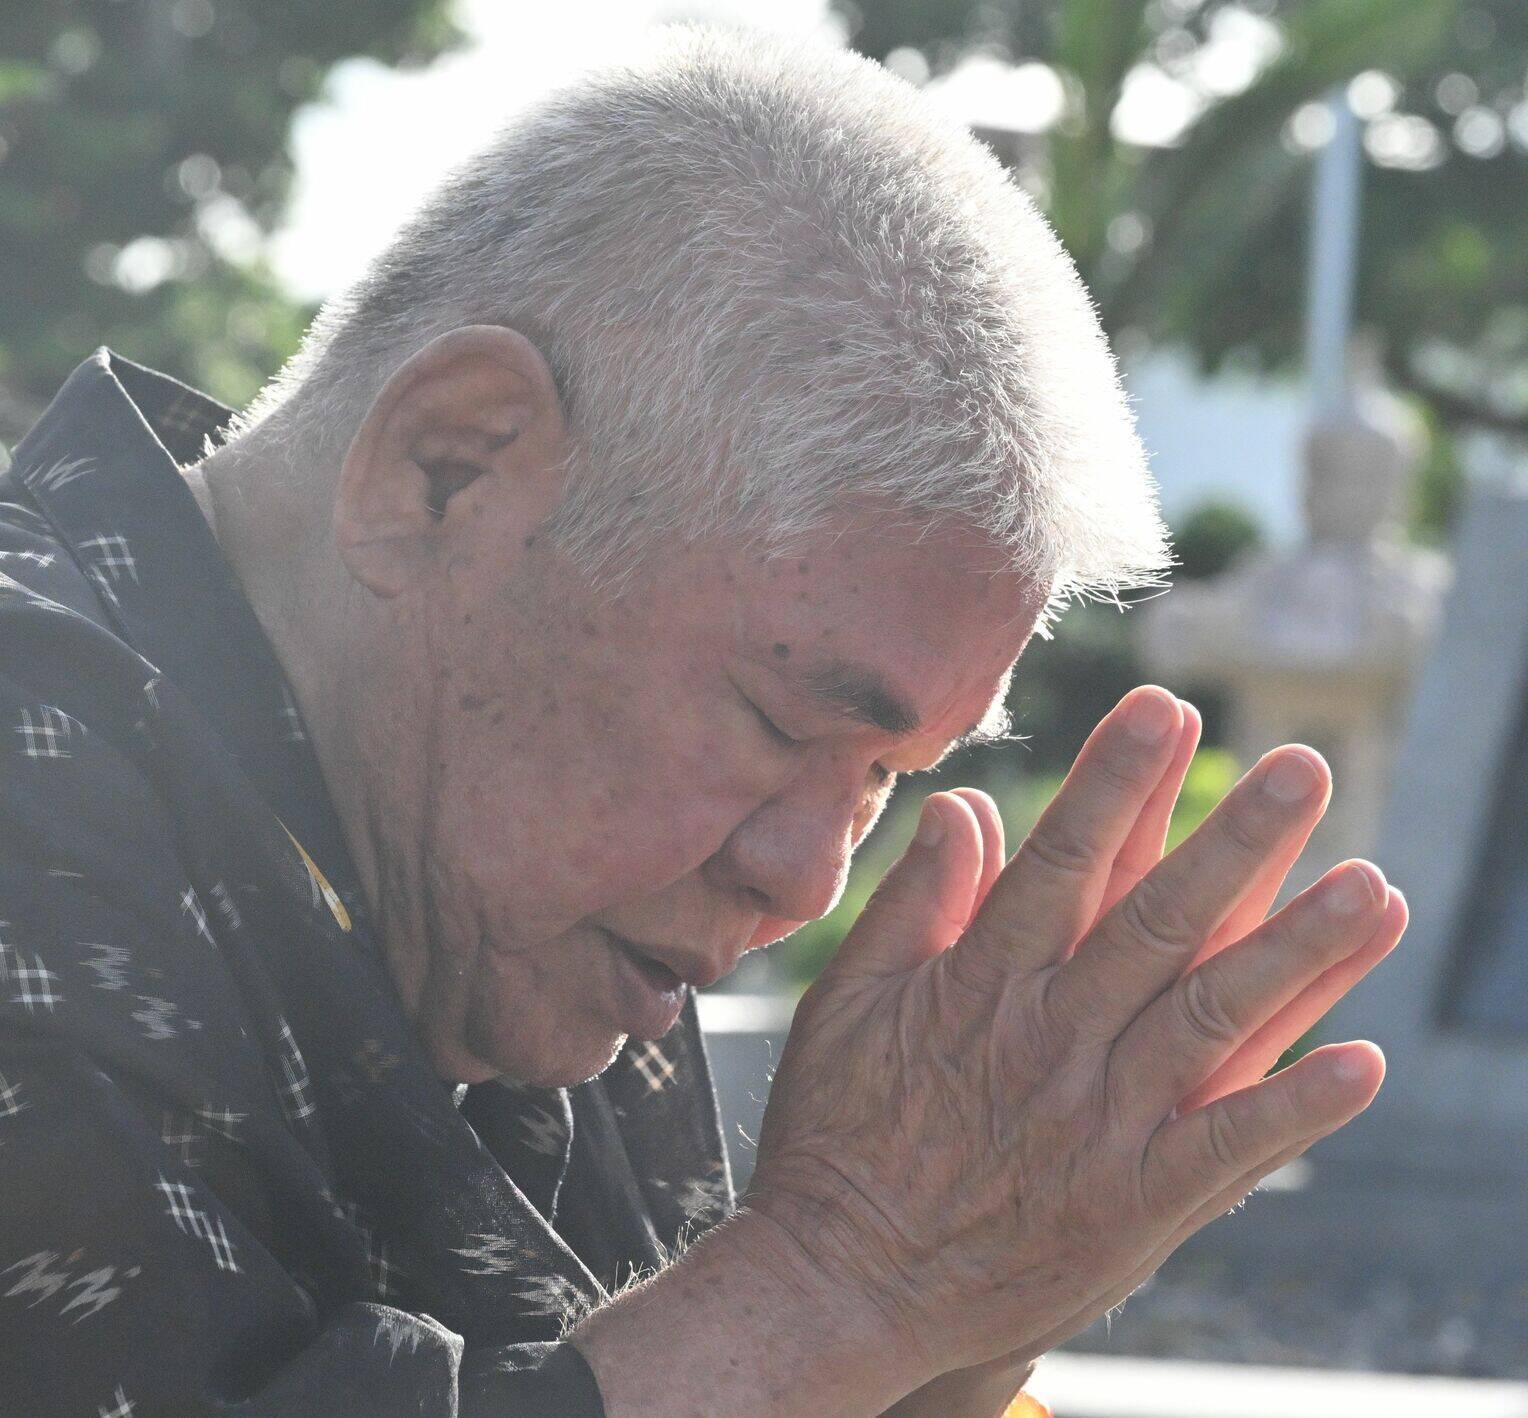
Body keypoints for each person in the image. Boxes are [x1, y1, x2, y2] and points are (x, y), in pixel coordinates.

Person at [0, 28, 1406, 1417]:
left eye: (884, 778)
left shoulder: (525, 913)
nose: (809, 881)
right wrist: (836, 1284)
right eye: (781, 723)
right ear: (449, 468)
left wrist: (951, 1332)